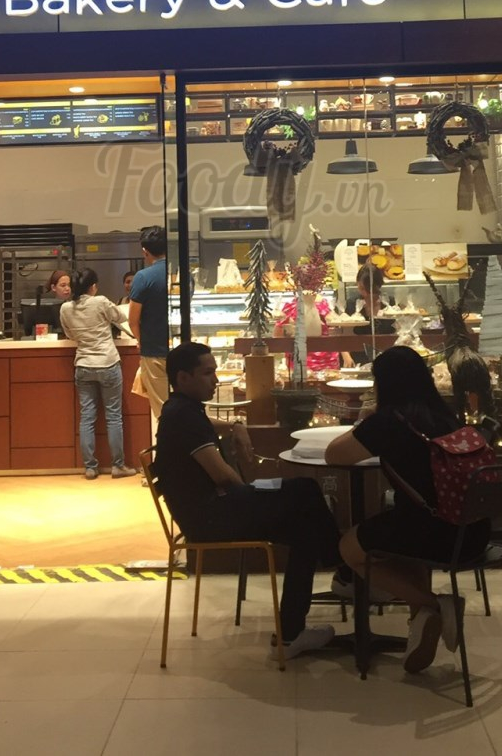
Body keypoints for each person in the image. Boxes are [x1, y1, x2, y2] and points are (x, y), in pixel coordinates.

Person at [152, 342, 343, 658]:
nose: (216, 380)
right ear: (183, 378)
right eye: (208, 373)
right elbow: (222, 476)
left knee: (305, 531)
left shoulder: (179, 410)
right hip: (212, 518)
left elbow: (206, 429)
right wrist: (250, 494)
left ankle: (291, 634)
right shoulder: (184, 416)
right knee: (306, 490)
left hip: (209, 513)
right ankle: (345, 569)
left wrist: (235, 425)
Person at [324, 345, 488, 673]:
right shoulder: (445, 415)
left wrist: (364, 421)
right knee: (402, 538)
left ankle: (433, 605)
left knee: (350, 548)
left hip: (435, 531)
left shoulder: (390, 421)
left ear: (384, 384)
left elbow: (334, 455)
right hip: (474, 531)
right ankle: (419, 625)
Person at [60, 267, 138, 480]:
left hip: (83, 365)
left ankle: (90, 468)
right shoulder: (101, 301)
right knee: (113, 416)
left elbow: (70, 335)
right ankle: (118, 466)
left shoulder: (65, 308)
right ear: (93, 286)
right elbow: (120, 316)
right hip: (107, 363)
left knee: (87, 417)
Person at [128, 226, 170, 424]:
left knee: (163, 409)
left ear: (145, 251)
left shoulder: (143, 277)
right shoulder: (181, 273)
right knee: (184, 405)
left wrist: (140, 340)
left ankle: (169, 442)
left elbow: (133, 320)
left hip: (154, 352)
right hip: (180, 348)